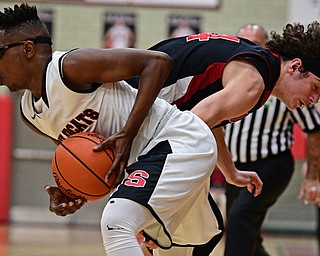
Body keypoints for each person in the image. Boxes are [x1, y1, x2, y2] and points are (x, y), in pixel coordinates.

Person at [0, 4, 262, 256]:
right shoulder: (30, 114)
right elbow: (88, 157)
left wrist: (128, 132)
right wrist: (72, 191)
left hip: (176, 139)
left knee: (116, 223)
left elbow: (158, 63)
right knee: (168, 249)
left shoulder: (69, 67)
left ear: (27, 49)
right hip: (151, 163)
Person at [126, 22, 320, 254]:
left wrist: (230, 171)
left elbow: (208, 122)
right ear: (295, 67)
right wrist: (157, 206)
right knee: (195, 228)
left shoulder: (258, 69)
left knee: (205, 230)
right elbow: (187, 131)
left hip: (142, 107)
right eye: (315, 87)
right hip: (132, 107)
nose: (315, 99)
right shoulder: (254, 81)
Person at [222, 23, 320, 256]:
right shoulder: (231, 76)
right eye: (241, 41)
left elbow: (315, 128)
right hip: (234, 166)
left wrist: (313, 177)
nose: (247, 48)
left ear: (266, 47)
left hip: (271, 165)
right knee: (248, 235)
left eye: (254, 44)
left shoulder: (287, 83)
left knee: (239, 219)